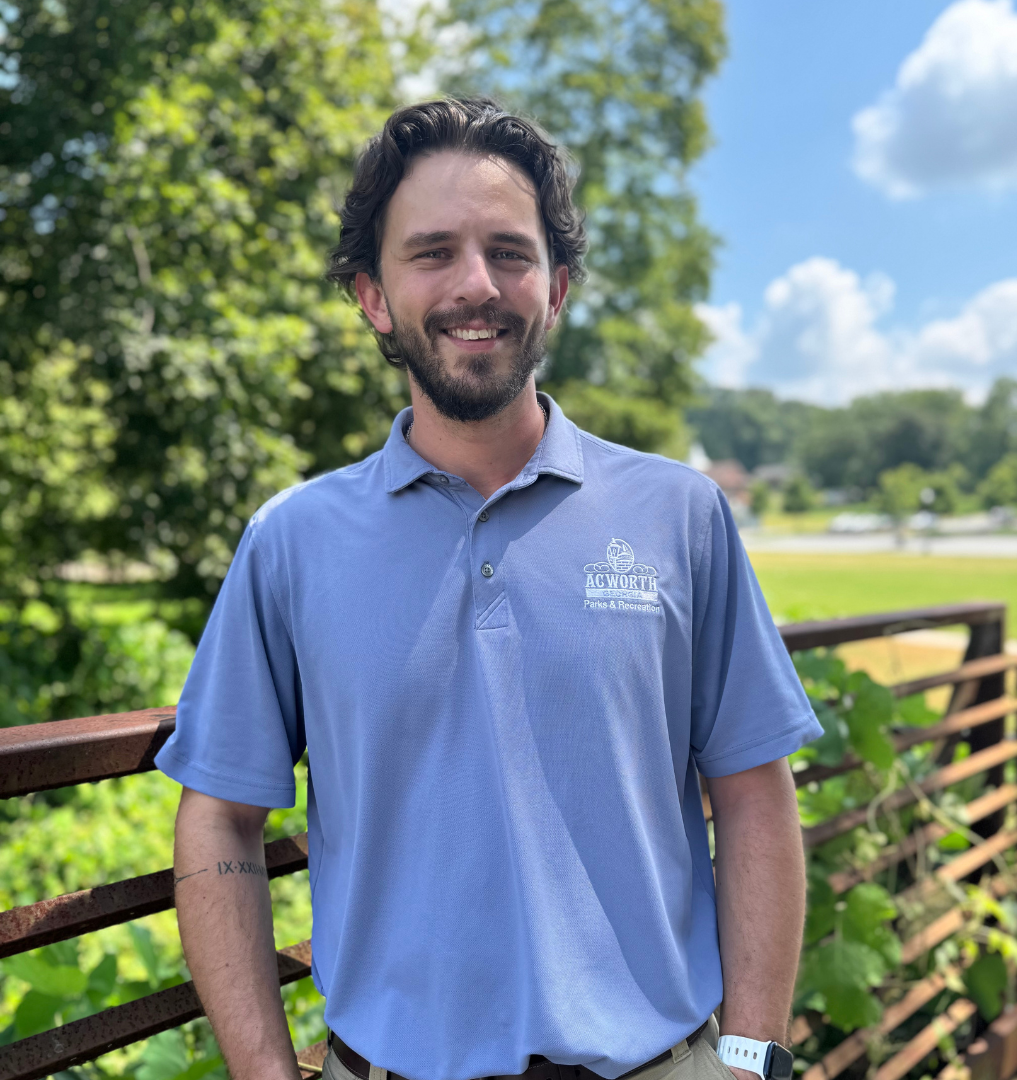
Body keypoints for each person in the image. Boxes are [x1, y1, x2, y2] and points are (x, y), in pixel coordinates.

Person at [157, 97, 823, 1080]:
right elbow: (218, 816)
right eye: (432, 253)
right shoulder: (291, 542)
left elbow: (754, 793)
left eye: (510, 253)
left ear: (555, 290)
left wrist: (751, 1056)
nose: (478, 285)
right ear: (372, 296)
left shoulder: (682, 518)